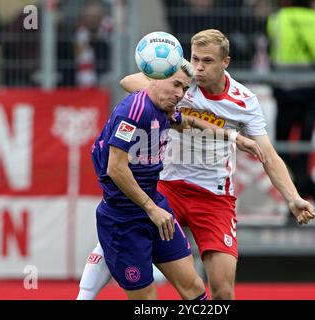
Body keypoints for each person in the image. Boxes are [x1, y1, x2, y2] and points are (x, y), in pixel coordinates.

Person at [78, 29, 315, 300]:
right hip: (168, 186)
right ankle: (87, 290)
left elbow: (269, 155)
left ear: (225, 62)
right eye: (195, 59)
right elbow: (129, 81)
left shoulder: (243, 100)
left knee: (223, 292)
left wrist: (293, 197)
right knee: (124, 228)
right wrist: (166, 92)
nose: (199, 67)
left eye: (208, 61)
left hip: (213, 195)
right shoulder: (180, 79)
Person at [89, 59, 265, 300]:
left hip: (154, 206)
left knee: (194, 288)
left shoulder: (164, 109)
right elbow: (116, 168)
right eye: (176, 85)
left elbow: (189, 122)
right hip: (123, 219)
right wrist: (151, 209)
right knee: (148, 299)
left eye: (184, 88)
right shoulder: (133, 111)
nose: (180, 94)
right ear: (156, 78)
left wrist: (233, 137)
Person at [267, 0, 315, 219]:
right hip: (312, 91)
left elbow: (270, 47)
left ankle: (298, 196)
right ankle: (310, 189)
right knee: (304, 148)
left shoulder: (277, 20)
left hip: (284, 90)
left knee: (281, 148)